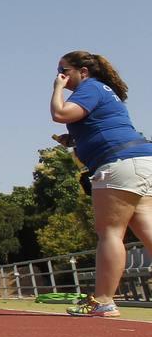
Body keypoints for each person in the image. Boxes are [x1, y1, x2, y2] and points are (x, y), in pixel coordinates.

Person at [50, 51, 152, 318]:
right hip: (140, 160)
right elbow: (102, 125)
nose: (60, 75)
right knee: (148, 231)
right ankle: (104, 299)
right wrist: (73, 140)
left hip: (118, 164)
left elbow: (60, 113)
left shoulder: (90, 88)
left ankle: (104, 300)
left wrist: (58, 89)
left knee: (110, 232)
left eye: (64, 71)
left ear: (83, 72)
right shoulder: (105, 91)